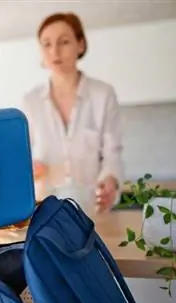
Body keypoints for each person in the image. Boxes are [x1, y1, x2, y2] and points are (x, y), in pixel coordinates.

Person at [22, 12, 124, 213]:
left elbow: (113, 152)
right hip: (45, 209)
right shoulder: (30, 101)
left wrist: (110, 180)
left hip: (92, 208)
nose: (55, 51)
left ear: (81, 45)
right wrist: (32, 168)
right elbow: (25, 156)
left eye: (64, 42)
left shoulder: (103, 94)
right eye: (47, 44)